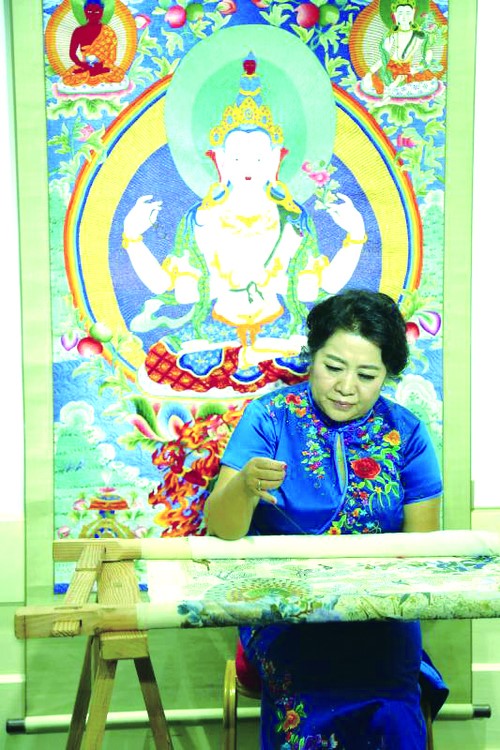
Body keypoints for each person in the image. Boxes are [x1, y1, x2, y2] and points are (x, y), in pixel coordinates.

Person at [205, 289, 448, 749]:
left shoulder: (408, 434)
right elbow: (222, 527)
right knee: (308, 704)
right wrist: (244, 487)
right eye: (333, 367)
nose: (346, 386)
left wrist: (370, 595)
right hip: (285, 612)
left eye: (367, 375)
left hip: (380, 615)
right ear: (311, 356)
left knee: (391, 705)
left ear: (387, 376)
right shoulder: (269, 418)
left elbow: (422, 555)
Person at [123, 55, 367, 382]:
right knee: (159, 363)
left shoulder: (292, 220)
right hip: (215, 333)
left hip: (281, 332)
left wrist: (355, 236)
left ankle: (255, 360)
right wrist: (133, 238)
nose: (248, 167)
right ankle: (246, 361)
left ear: (276, 160)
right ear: (220, 161)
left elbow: (318, 288)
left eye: (259, 158)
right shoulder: (201, 221)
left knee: (316, 362)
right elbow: (171, 289)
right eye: (237, 158)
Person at [361, 0, 439, 102]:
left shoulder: (419, 36)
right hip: (391, 69)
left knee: (428, 81)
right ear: (395, 15)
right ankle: (389, 90)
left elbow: (427, 55)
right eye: (400, 13)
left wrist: (419, 67)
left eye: (408, 13)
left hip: (408, 69)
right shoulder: (392, 36)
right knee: (369, 82)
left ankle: (389, 91)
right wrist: (370, 71)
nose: (404, 17)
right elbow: (384, 58)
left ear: (413, 13)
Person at [61, 0, 126, 88]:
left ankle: (93, 73)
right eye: (89, 11)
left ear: (102, 13)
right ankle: (92, 73)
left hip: (103, 66)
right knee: (67, 79)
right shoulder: (78, 31)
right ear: (85, 12)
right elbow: (72, 54)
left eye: (97, 12)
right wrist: (83, 65)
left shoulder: (108, 32)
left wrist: (101, 66)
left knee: (119, 75)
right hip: (85, 65)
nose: (93, 15)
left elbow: (111, 56)